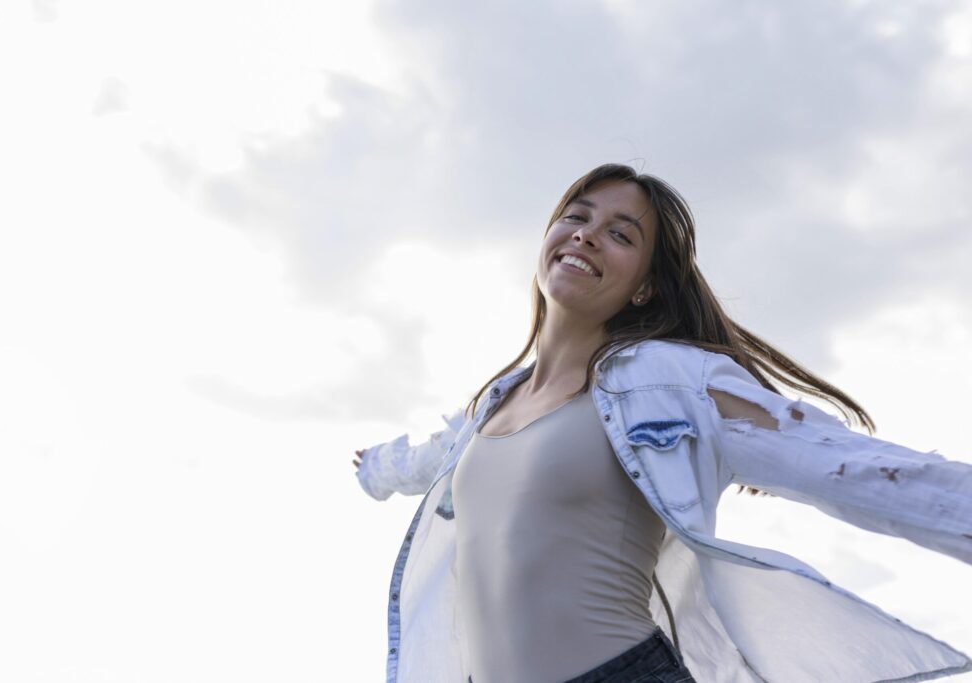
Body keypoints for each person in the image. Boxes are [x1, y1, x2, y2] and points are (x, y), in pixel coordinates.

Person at [353, 163, 972, 683]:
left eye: (620, 234)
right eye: (577, 216)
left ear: (645, 288)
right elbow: (423, 461)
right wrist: (375, 469)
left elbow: (853, 468)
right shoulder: (490, 406)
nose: (587, 235)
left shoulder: (668, 381)